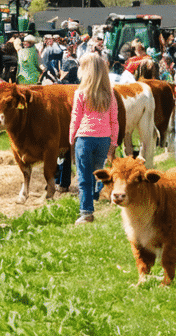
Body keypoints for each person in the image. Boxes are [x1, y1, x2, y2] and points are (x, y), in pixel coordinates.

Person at [69, 52, 118, 224]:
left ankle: (87, 212)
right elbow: (114, 120)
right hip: (103, 139)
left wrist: (71, 136)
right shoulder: (110, 94)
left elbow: (76, 117)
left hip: (84, 138)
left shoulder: (81, 93)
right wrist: (113, 141)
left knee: (84, 177)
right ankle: (98, 190)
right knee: (99, 171)